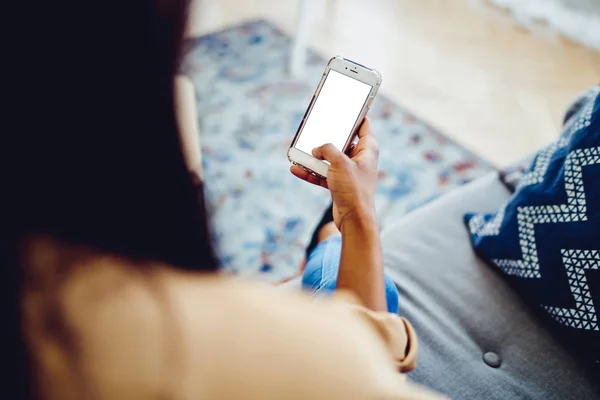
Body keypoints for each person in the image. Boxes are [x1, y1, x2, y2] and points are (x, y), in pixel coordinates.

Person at [6, 1, 445, 399]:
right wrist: (358, 215)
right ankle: (330, 236)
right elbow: (369, 367)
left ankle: (327, 239)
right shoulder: (218, 340)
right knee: (347, 273)